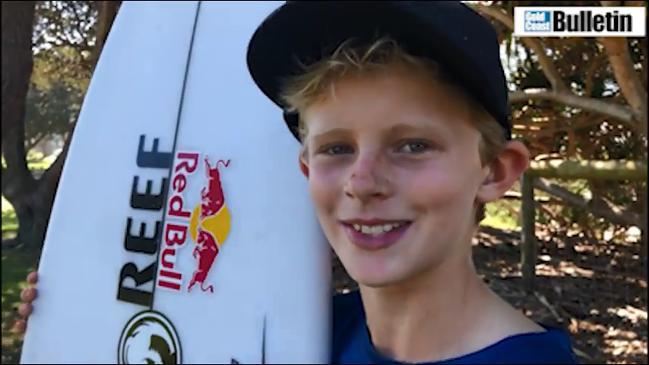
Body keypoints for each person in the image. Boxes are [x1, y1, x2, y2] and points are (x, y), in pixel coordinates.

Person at [16, 1, 577, 363]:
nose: (362, 182)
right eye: (336, 148)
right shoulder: (300, 331)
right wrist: (81, 317)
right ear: (307, 170)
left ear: (496, 171)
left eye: (412, 145)